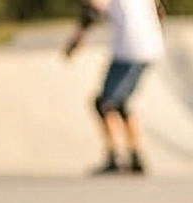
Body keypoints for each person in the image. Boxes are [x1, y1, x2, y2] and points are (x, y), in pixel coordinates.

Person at [63, 0, 164, 176]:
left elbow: (91, 11)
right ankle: (135, 156)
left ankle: (114, 157)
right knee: (120, 103)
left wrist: (77, 38)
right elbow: (159, 9)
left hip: (131, 49)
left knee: (104, 103)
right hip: (145, 47)